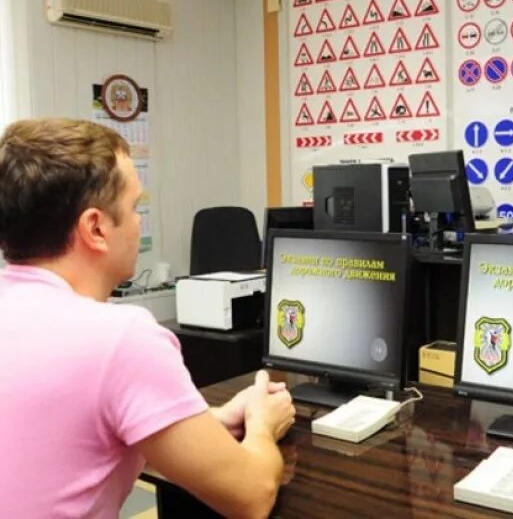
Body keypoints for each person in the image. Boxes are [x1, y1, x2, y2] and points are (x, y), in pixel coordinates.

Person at [0, 118, 296, 518]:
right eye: (134, 207)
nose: (139, 222)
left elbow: (65, 425)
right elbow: (252, 496)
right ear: (96, 228)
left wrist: (210, 419)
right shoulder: (119, 338)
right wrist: (262, 423)